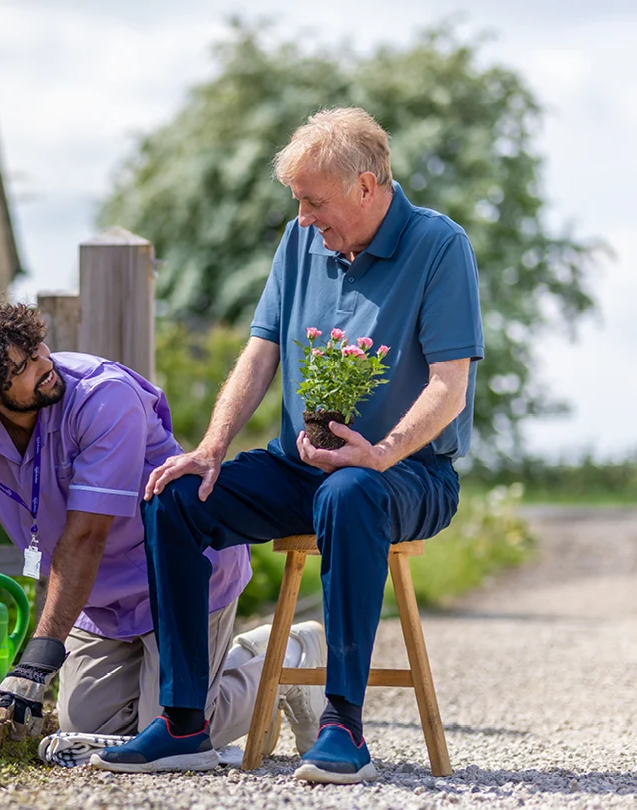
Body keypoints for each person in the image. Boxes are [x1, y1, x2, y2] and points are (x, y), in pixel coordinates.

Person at [93, 107, 484, 783]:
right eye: (297, 202)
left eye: (314, 202)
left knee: (351, 490)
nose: (304, 218)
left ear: (367, 186)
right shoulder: (300, 241)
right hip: (299, 469)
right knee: (176, 495)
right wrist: (210, 447)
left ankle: (342, 727)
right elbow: (260, 353)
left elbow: (449, 385)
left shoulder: (438, 246)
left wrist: (380, 452)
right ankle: (184, 722)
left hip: (407, 475)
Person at [0, 299, 327, 759]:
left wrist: (37, 660)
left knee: (167, 728)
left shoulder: (102, 396)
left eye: (37, 348)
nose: (44, 364)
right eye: (23, 366)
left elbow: (87, 537)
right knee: (86, 726)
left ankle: (285, 656)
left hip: (179, 576)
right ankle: (232, 674)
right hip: (97, 598)